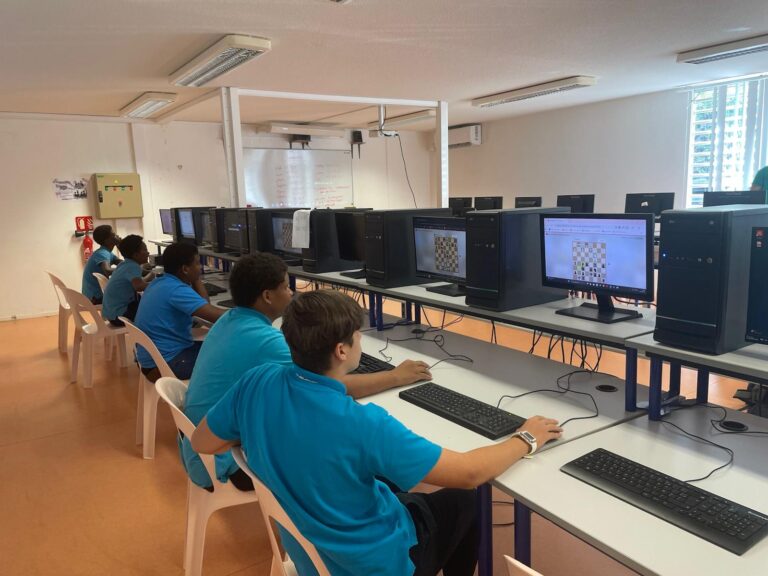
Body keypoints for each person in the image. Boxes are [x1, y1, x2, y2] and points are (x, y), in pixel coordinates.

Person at [192, 290, 563, 576]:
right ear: (342, 350)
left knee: (389, 481)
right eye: (357, 335)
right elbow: (469, 473)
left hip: (309, 554)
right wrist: (526, 437)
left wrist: (267, 432)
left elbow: (203, 441)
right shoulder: (361, 424)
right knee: (465, 499)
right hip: (375, 565)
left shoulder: (257, 380)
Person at [182, 253, 433, 492]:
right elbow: (327, 383)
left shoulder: (230, 319)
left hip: (203, 443)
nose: (291, 292)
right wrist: (395, 376)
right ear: (267, 296)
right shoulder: (264, 340)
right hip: (218, 461)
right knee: (355, 456)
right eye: (285, 287)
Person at [134, 243, 224, 380]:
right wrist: (250, 311)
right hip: (167, 363)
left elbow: (204, 304)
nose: (200, 267)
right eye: (197, 263)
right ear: (185, 269)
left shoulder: (159, 282)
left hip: (153, 360)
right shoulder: (176, 290)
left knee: (219, 346)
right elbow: (216, 316)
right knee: (231, 356)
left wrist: (196, 278)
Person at [101, 235, 155, 326]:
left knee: (145, 302)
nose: (148, 252)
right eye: (145, 250)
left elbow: (137, 281)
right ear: (136, 255)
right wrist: (157, 284)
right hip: (120, 316)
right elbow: (139, 286)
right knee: (154, 308)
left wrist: (151, 275)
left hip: (111, 314)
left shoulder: (124, 264)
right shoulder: (133, 266)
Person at [81, 224, 121, 304]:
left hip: (93, 296)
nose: (117, 236)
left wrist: (121, 246)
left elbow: (125, 263)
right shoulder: (102, 253)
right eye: (114, 235)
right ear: (107, 240)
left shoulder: (106, 252)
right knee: (129, 298)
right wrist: (125, 269)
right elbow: (107, 270)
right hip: (95, 298)